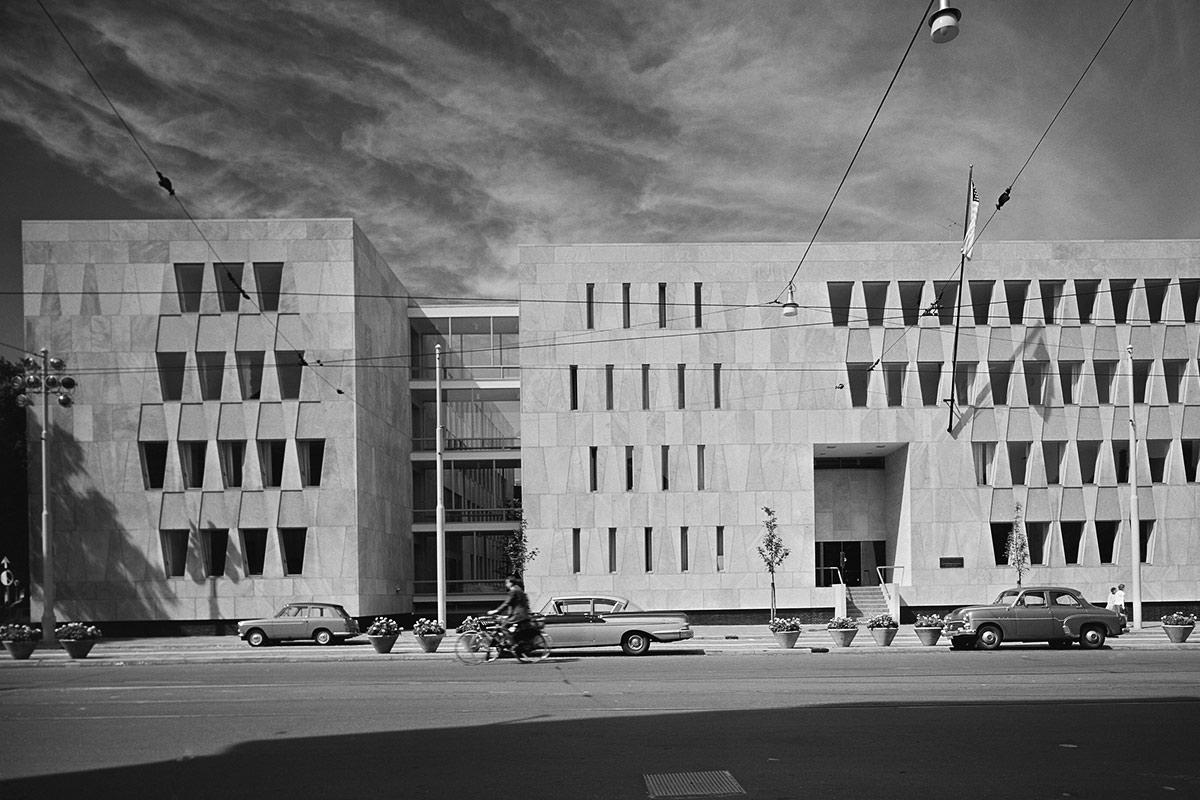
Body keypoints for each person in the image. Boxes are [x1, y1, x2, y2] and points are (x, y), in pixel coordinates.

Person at [489, 574, 535, 650]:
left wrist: (496, 611)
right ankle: (514, 642)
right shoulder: (519, 589)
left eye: (507, 583)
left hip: (518, 615)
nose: (506, 585)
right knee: (512, 628)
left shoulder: (513, 591)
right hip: (523, 614)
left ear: (511, 583)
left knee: (503, 626)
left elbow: (507, 603)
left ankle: (512, 644)